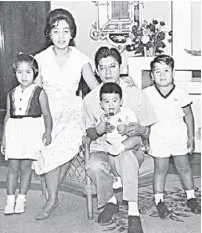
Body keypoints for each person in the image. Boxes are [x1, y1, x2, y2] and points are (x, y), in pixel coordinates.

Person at [32, 8, 100, 220]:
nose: (61, 36)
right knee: (49, 144)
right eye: (56, 31)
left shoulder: (81, 59)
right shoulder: (40, 59)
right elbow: (34, 92)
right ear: (49, 34)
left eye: (65, 31)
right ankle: (53, 194)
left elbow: (96, 89)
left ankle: (51, 197)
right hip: (48, 111)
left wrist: (117, 88)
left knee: (64, 145)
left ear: (72, 34)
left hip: (73, 111)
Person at [83, 46, 157, 233]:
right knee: (93, 165)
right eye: (102, 67)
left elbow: (148, 127)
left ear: (120, 67)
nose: (108, 72)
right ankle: (111, 201)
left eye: (112, 66)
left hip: (131, 148)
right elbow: (90, 133)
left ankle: (133, 211)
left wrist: (139, 129)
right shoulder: (91, 100)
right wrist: (100, 130)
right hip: (103, 148)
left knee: (125, 156)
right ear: (97, 71)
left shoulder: (134, 93)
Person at [143, 54, 201, 218]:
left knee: (184, 167)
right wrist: (145, 138)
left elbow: (189, 116)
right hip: (158, 137)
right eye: (158, 71)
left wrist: (190, 137)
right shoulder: (147, 94)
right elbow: (145, 117)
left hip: (178, 137)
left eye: (166, 71)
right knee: (160, 169)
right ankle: (159, 200)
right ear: (152, 75)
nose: (162, 75)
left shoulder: (181, 93)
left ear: (173, 73)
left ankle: (191, 196)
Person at [1, 53, 52, 215]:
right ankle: (10, 199)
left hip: (31, 131)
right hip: (14, 131)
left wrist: (48, 131)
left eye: (28, 72)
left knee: (25, 167)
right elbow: (8, 116)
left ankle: (21, 198)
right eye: (20, 72)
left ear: (35, 73)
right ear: (15, 73)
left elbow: (46, 114)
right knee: (13, 166)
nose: (24, 76)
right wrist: (4, 139)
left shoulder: (39, 92)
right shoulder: (11, 94)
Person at [95, 82, 143, 188]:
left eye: (115, 101)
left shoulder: (127, 113)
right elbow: (98, 131)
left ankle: (121, 147)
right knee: (111, 156)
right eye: (106, 102)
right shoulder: (103, 116)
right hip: (113, 146)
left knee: (135, 139)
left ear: (121, 102)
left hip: (128, 144)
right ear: (101, 104)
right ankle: (118, 177)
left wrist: (126, 129)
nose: (111, 105)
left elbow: (134, 127)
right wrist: (102, 123)